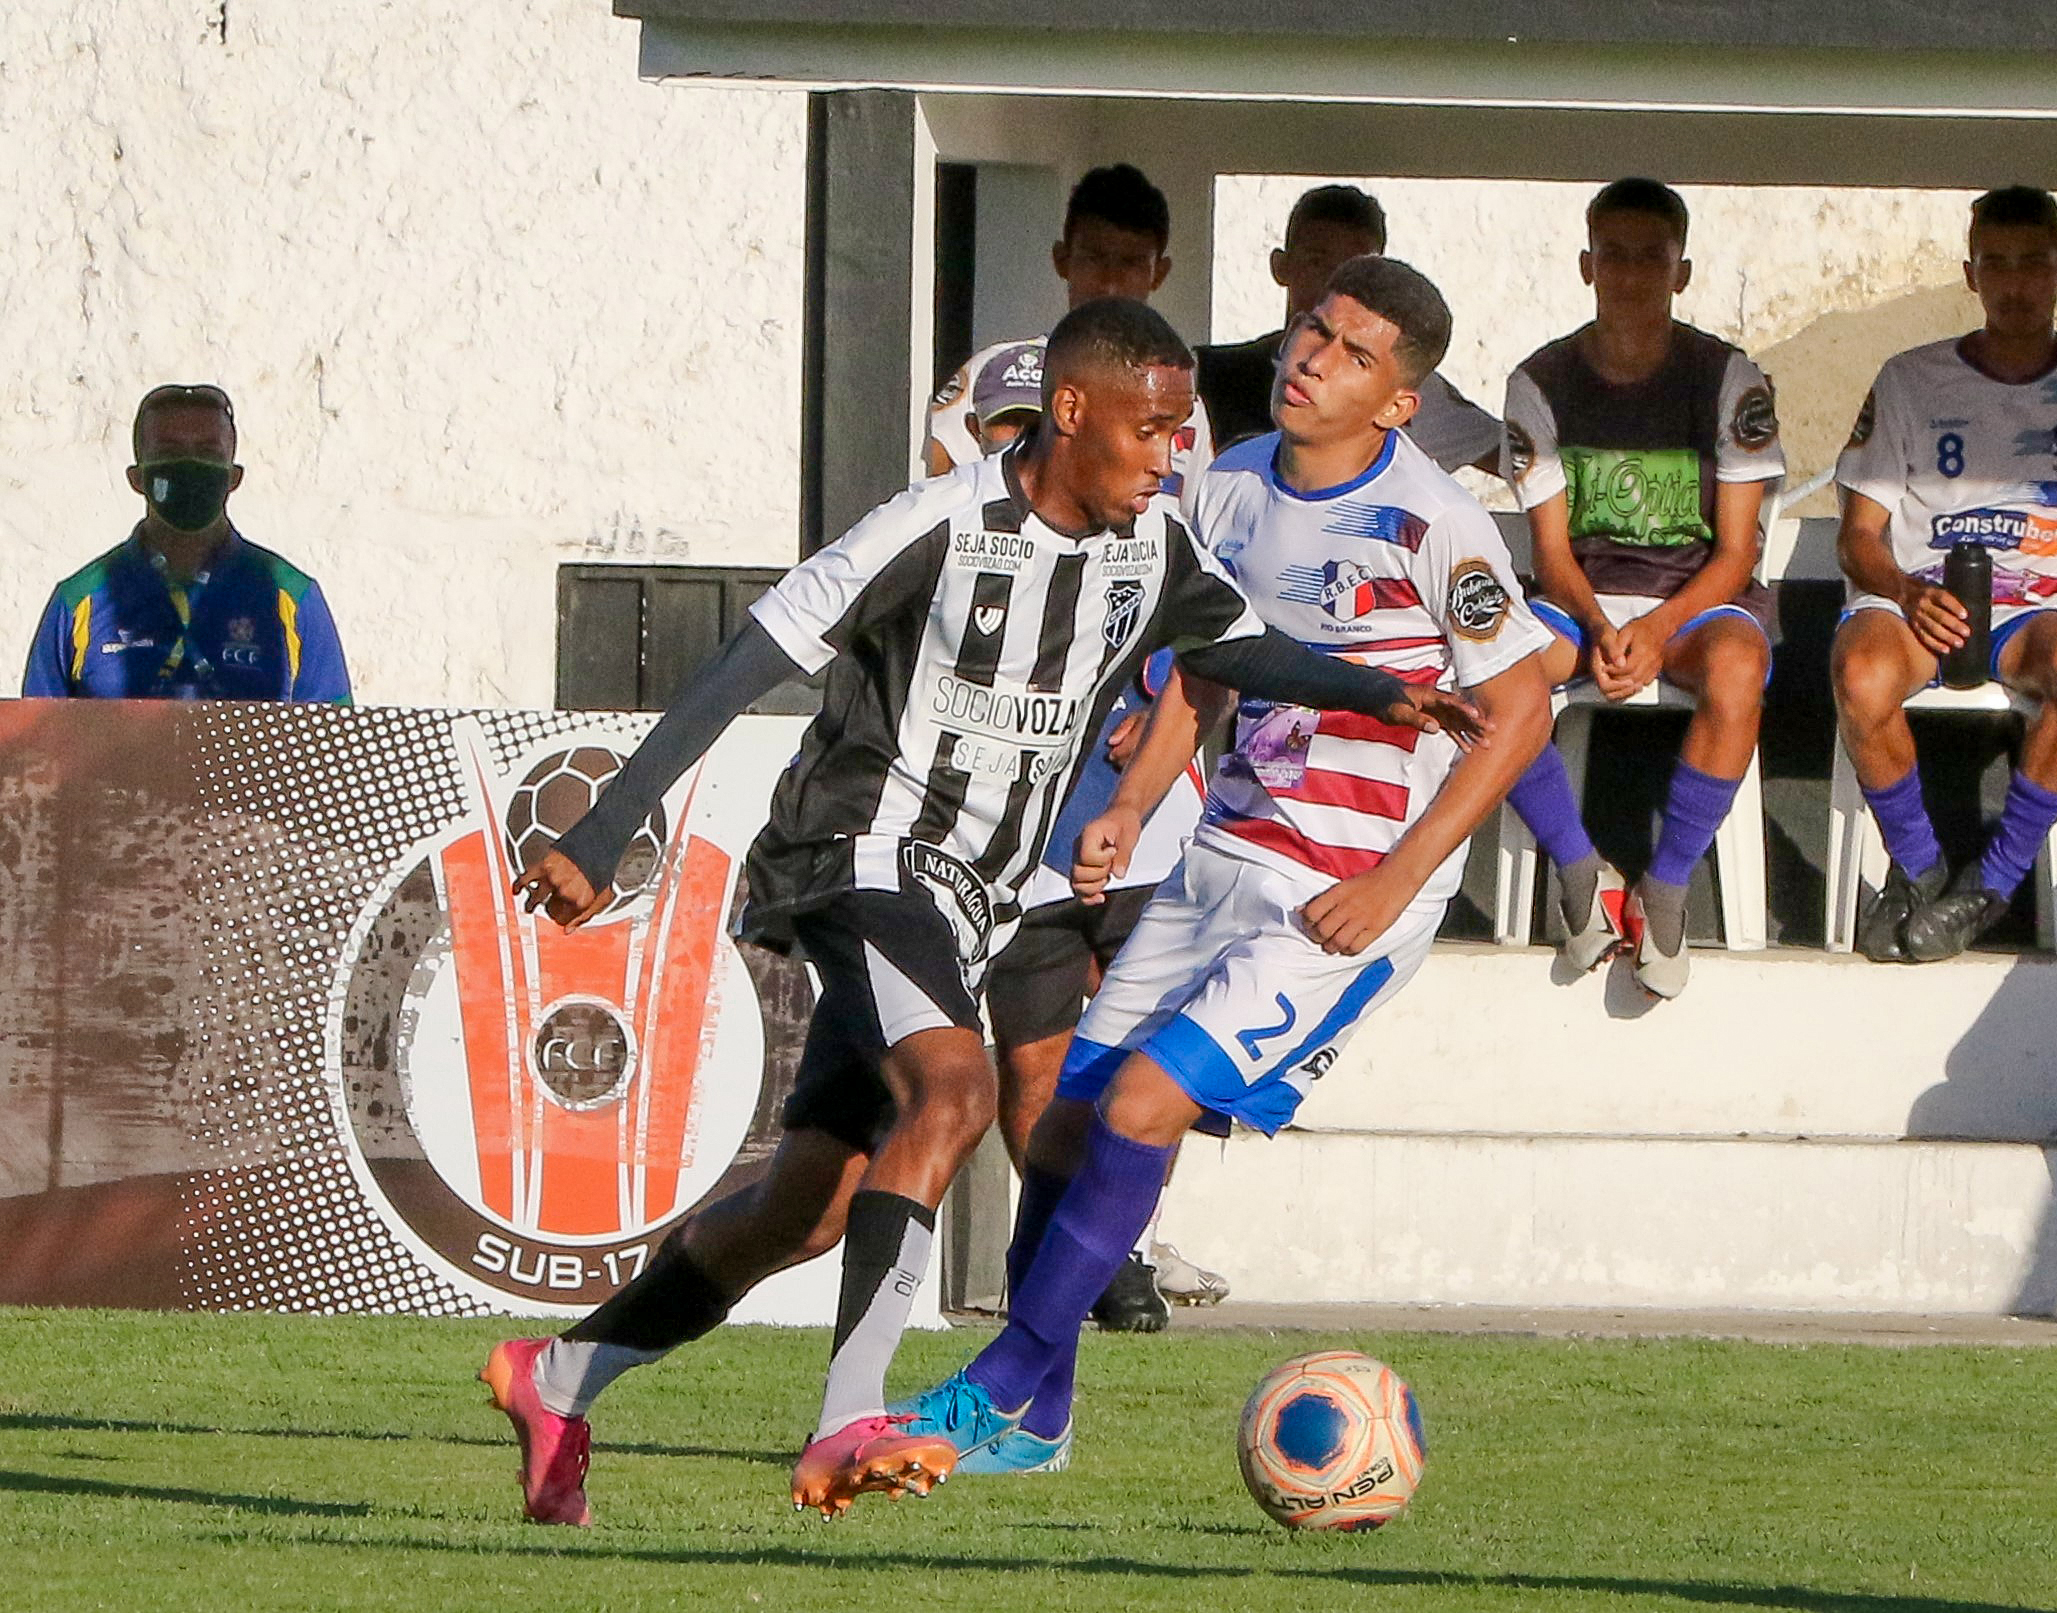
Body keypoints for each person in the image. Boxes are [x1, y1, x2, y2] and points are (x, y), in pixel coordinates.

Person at [482, 298, 1482, 1525]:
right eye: (1154, 429)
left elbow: (1244, 648)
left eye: (1183, 432)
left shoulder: (1153, 547)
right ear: (1073, 413)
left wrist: (1382, 691)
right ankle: (854, 1411)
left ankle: (558, 1374)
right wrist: (609, 820)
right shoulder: (936, 525)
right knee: (955, 1092)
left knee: (813, 1204)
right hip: (862, 853)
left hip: (976, 900)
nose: (1175, 455)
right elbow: (754, 652)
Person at [882, 256, 1553, 1489]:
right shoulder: (1227, 484)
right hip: (1222, 852)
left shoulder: (1432, 521)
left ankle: (994, 1386)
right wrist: (1132, 807)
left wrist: (1398, 885)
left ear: (1398, 401)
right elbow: (1208, 658)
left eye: (1352, 352)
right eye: (1312, 329)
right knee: (1071, 1123)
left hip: (1343, 897)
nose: (1309, 358)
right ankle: (1037, 1424)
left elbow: (1520, 710)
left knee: (1145, 1102)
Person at [1497, 179, 1785, 998]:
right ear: (1586, 265)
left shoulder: (1727, 376)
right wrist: (1595, 623)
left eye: (1648, 258)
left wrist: (1657, 630)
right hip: (1580, 597)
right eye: (1612, 256)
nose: (1629, 274)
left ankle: (1666, 887)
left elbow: (1734, 552)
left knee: (1736, 669)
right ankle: (1579, 873)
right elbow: (1550, 552)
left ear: (1680, 271)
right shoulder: (1538, 380)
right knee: (1493, 666)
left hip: (1694, 602)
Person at [1833, 186, 2057, 962]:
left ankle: (1988, 886)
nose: (2015, 282)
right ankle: (1920, 867)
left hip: (2029, 611)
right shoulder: (1909, 379)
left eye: (2033, 263)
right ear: (1969, 275)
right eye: (1996, 264)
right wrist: (1903, 590)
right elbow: (1857, 536)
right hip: (1918, 600)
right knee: (1860, 675)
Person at [981, 646, 1229, 1338]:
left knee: (1156, 1065)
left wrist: (1166, 710)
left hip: (1160, 849)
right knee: (1032, 1065)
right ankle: (1060, 1254)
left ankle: (1129, 1253)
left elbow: (1232, 651)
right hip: (1025, 855)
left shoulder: (1181, 538)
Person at [22, 384, 350, 703]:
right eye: (169, 453)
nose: (189, 466)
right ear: (137, 478)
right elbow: (33, 749)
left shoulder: (291, 597)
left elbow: (334, 747)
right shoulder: (80, 601)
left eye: (207, 452)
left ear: (233, 476)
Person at [923, 164, 1214, 498]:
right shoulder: (1004, 369)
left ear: (1158, 273)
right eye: (1094, 259)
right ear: (1062, 259)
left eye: (1131, 264)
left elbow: (1197, 520)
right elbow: (932, 474)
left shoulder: (1184, 403)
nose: (1110, 283)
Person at [1193, 183, 1502, 475]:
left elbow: (1520, 457)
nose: (1335, 284)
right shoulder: (1206, 376)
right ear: (1281, 266)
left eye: (1353, 269)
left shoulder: (1404, 389)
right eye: (1318, 262)